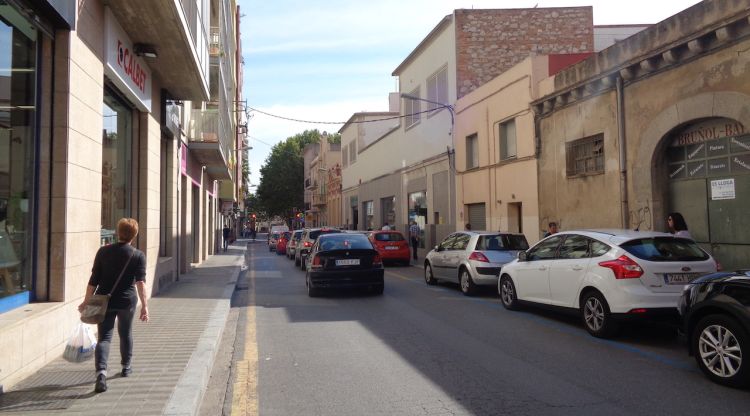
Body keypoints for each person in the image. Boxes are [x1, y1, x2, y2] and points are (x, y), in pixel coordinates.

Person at [79, 218, 148, 393]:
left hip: (104, 300)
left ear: (118, 232)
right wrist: (145, 306)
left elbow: (93, 281)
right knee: (125, 333)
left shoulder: (103, 252)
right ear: (135, 234)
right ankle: (126, 367)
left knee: (104, 337)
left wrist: (86, 301)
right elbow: (141, 283)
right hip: (127, 301)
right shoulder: (138, 255)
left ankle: (101, 373)